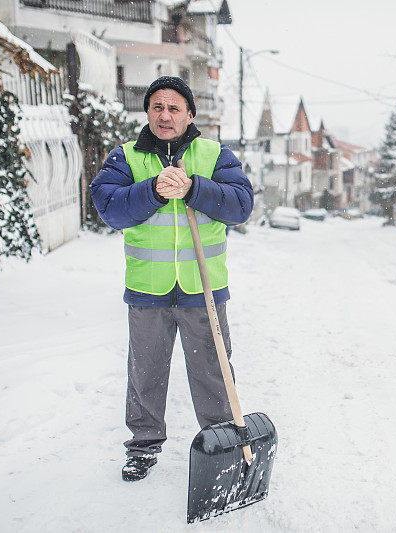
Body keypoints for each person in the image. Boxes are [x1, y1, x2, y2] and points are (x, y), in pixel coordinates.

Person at [90, 76, 253, 482]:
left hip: (203, 289)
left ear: (189, 115)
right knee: (145, 371)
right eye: (157, 107)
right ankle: (143, 446)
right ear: (147, 113)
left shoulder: (214, 154)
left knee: (212, 372)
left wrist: (196, 187)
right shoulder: (125, 157)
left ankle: (222, 444)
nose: (165, 115)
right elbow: (110, 208)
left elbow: (241, 204)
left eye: (174, 108)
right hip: (149, 290)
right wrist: (154, 191)